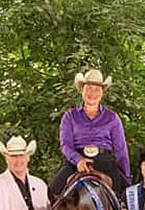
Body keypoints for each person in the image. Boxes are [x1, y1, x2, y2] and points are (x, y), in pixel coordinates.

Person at [50, 69, 130, 197]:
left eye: (97, 89)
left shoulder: (112, 118)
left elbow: (121, 150)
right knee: (50, 195)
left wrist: (126, 177)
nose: (92, 93)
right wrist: (78, 160)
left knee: (129, 199)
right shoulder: (70, 116)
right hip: (75, 162)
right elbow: (66, 146)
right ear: (82, 90)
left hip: (105, 162)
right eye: (88, 88)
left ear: (102, 92)